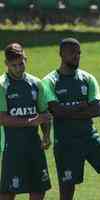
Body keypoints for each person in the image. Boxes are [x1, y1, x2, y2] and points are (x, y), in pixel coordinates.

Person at [42, 38, 100, 200]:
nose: (77, 56)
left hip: (90, 138)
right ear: (61, 54)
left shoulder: (88, 78)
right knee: (67, 191)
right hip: (66, 143)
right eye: (72, 52)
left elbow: (98, 109)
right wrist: (81, 106)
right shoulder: (50, 81)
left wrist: (68, 111)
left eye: (79, 53)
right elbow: (56, 111)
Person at [0, 43, 51, 200]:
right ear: (6, 64)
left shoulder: (36, 84)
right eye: (13, 65)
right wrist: (32, 121)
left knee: (38, 188)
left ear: (26, 59)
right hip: (11, 147)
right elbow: (3, 119)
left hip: (34, 145)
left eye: (21, 63)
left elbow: (44, 113)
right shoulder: (2, 86)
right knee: (8, 191)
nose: (18, 68)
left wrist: (46, 135)